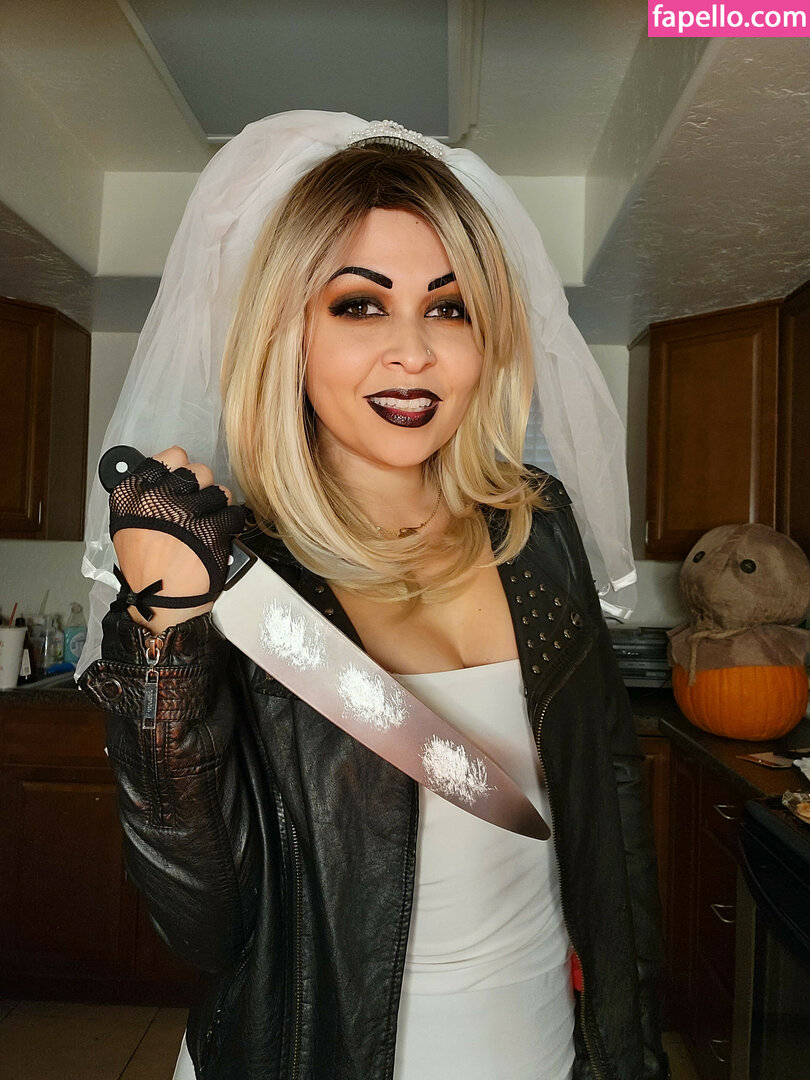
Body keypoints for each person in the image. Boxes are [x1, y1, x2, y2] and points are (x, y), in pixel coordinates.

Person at [79, 113, 667, 1080]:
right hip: (310, 1048)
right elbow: (204, 923)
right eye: (360, 305)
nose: (414, 353)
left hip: (537, 1042)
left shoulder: (542, 530)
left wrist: (632, 1046)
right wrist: (164, 630)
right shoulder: (235, 575)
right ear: (289, 333)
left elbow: (612, 812)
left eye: (450, 308)